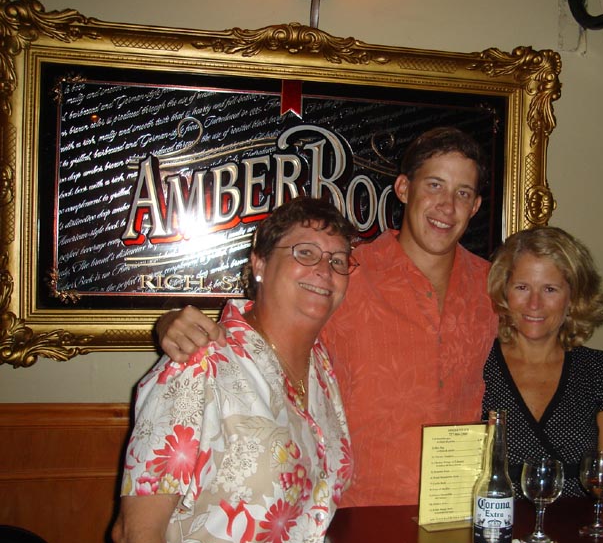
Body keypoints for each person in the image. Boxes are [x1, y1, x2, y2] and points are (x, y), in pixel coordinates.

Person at [154, 127, 499, 507]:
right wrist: (171, 324)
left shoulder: (493, 286)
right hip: (352, 514)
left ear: (475, 206)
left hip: (457, 511)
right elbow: (261, 328)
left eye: (462, 193)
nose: (447, 206)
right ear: (404, 189)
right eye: (434, 185)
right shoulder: (344, 273)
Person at [104, 197, 357, 543]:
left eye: (338, 260)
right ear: (260, 263)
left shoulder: (322, 369)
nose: (325, 270)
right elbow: (136, 533)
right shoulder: (199, 365)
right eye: (305, 253)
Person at [483, 226, 603, 497]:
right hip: (495, 521)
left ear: (573, 298)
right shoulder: (477, 366)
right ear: (504, 292)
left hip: (579, 523)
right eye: (522, 287)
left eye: (550, 289)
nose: (534, 304)